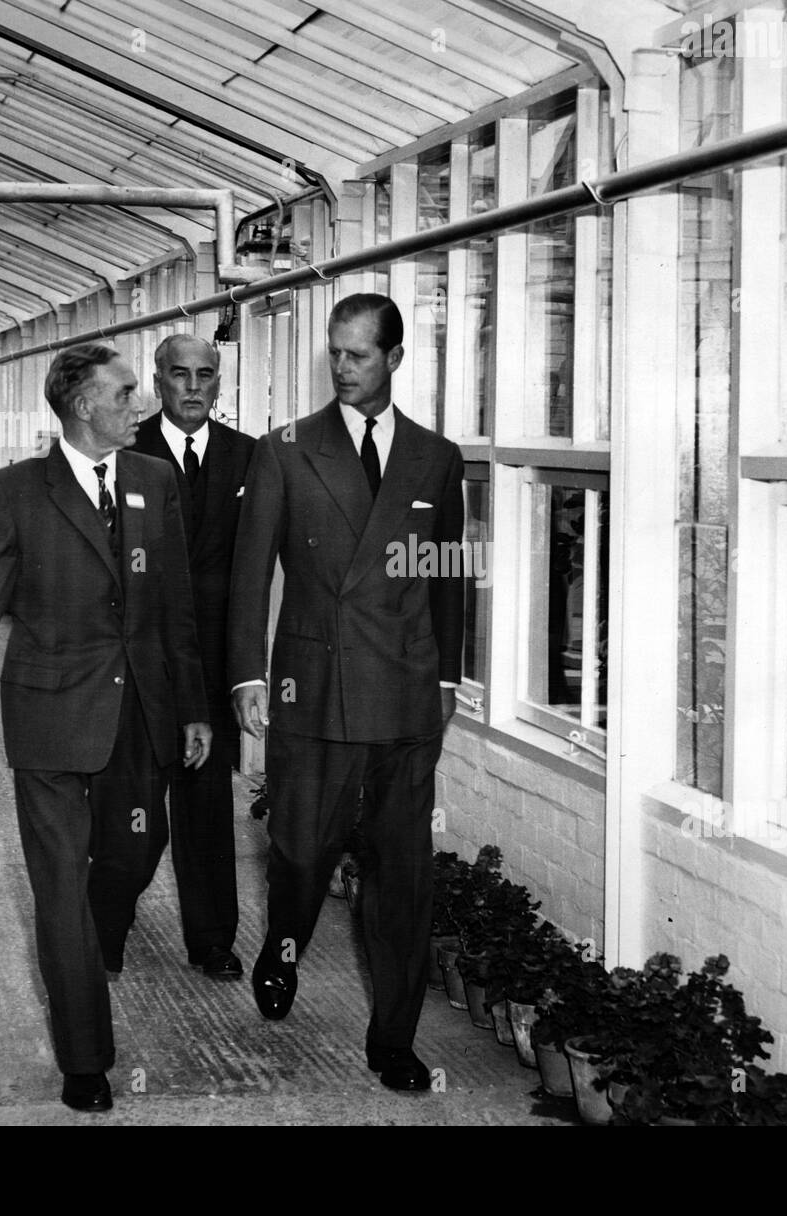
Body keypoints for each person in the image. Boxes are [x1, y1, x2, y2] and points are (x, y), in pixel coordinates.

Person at [0, 344, 211, 1114]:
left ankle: (94, 940)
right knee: (59, 888)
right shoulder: (12, 494)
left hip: (140, 718)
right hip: (51, 720)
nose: (142, 404)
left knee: (134, 853)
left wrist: (193, 705)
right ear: (84, 406)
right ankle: (85, 1059)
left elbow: (176, 606)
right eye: (128, 393)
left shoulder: (155, 482)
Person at [228, 293, 465, 1093]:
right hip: (313, 686)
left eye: (358, 356)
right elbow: (250, 572)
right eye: (335, 353)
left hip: (403, 693)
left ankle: (393, 1040)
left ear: (395, 359)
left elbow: (445, 577)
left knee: (402, 875)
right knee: (301, 852)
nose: (342, 368)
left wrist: (444, 676)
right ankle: (282, 947)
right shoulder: (286, 449)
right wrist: (249, 673)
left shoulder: (436, 458)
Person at [131, 334, 255, 980]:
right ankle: (111, 917)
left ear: (220, 382)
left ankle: (212, 939)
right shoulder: (124, 453)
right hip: (139, 666)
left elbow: (262, 570)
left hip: (211, 669)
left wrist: (250, 671)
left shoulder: (249, 458)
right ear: (158, 382)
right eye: (179, 375)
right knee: (135, 809)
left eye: (206, 375)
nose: (193, 387)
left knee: (207, 809)